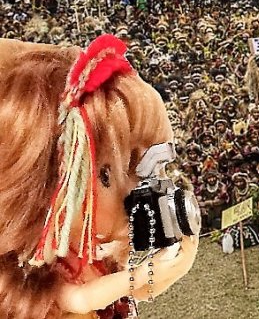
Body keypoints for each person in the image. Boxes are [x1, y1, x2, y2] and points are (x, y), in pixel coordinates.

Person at [0, 35, 198, 319]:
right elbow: (82, 300)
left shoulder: (91, 250)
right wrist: (140, 275)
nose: (139, 190)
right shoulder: (36, 272)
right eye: (105, 175)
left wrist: (171, 266)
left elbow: (133, 292)